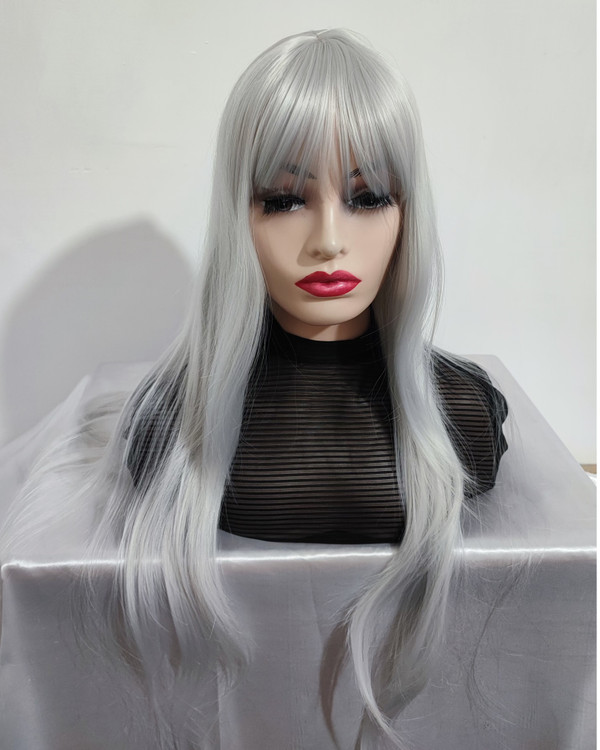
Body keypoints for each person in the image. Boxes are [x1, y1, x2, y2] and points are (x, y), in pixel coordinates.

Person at [1, 28, 508, 748]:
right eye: (285, 199)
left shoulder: (462, 411)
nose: (328, 239)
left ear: (408, 212)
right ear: (237, 212)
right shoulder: (171, 424)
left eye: (367, 197)